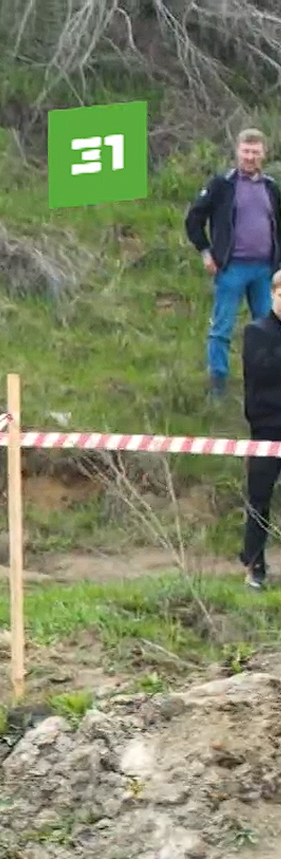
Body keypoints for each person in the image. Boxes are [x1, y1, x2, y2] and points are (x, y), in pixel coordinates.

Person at [185, 128, 279, 400]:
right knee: (222, 328)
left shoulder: (271, 188)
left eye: (255, 152)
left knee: (269, 330)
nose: (250, 157)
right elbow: (194, 219)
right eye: (246, 151)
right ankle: (218, 387)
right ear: (238, 152)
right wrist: (205, 251)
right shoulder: (221, 185)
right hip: (231, 268)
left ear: (264, 154)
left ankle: (266, 386)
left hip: (265, 272)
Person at [240, 270, 281, 589]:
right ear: (274, 294)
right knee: (259, 501)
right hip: (267, 430)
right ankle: (254, 567)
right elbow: (262, 373)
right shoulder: (257, 331)